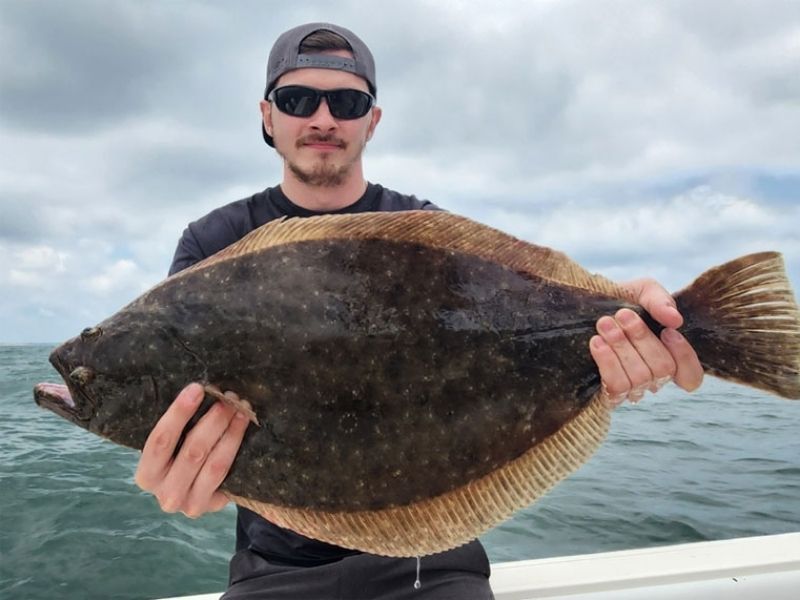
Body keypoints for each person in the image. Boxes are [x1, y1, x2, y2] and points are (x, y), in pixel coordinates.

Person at [134, 22, 704, 599]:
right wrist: (187, 482)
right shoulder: (211, 245)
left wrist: (626, 317)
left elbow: (521, 318)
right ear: (267, 114)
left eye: (348, 102)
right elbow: (187, 433)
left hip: (435, 565)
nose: (323, 119)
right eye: (298, 100)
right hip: (277, 569)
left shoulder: (423, 232)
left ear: (372, 120)